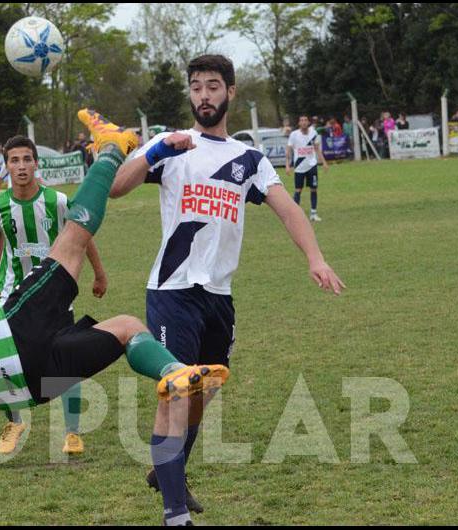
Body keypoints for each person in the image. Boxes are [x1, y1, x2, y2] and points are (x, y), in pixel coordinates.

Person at [0, 113, 232, 526]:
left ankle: (174, 390)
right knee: (72, 240)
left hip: (29, 385)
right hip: (12, 330)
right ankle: (111, 146)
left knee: (126, 329)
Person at [111, 54, 345, 523]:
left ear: (230, 92)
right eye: (196, 86)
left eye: (213, 86)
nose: (204, 95)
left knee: (204, 390)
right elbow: (116, 187)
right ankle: (176, 513)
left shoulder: (249, 159)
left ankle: (166, 469)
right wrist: (156, 154)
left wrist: (315, 258)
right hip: (172, 291)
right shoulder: (170, 144)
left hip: (219, 297)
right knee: (177, 391)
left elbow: (288, 209)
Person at [0, 135, 108, 455]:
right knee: (4, 358)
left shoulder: (58, 202)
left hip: (55, 287)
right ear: (7, 166)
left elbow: (83, 237)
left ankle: (71, 433)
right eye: (15, 160)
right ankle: (14, 421)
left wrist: (99, 272)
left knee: (65, 354)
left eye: (27, 159)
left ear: (36, 163)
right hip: (13, 292)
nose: (22, 166)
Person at [287, 115, 330, 222]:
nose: (304, 122)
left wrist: (324, 162)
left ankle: (313, 214)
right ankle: (294, 215)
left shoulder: (313, 133)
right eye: (301, 120)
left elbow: (317, 149)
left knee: (314, 189)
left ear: (308, 122)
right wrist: (288, 165)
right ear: (299, 123)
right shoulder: (294, 135)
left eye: (305, 120)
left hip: (312, 165)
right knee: (298, 190)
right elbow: (288, 150)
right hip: (299, 167)